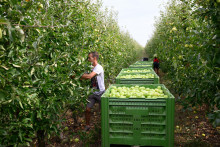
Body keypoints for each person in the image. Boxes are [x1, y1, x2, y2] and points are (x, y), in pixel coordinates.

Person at [80, 51, 105, 131]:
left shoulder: (99, 67)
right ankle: (87, 126)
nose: (88, 59)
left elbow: (89, 76)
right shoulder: (90, 67)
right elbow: (84, 76)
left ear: (94, 58)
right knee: (87, 109)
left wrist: (79, 75)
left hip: (101, 93)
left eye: (89, 58)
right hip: (92, 92)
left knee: (103, 111)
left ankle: (103, 127)